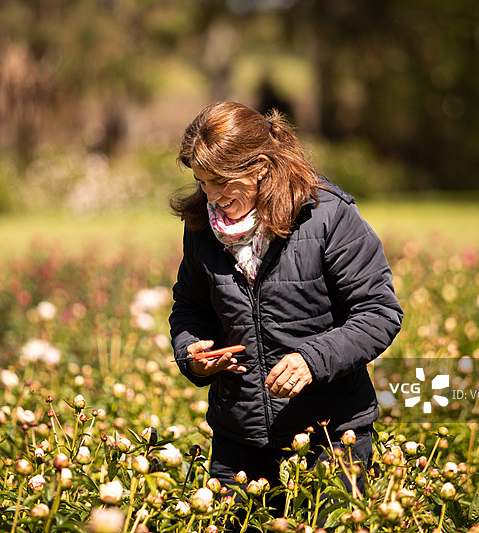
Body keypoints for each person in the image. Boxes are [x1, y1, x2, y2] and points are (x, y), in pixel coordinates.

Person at [168, 102, 403, 502]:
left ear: (260, 166)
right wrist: (191, 350)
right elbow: (189, 307)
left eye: (221, 182)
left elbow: (378, 312)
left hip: (330, 436)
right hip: (239, 438)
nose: (211, 196)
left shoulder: (327, 215)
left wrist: (313, 359)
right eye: (202, 181)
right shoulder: (202, 227)